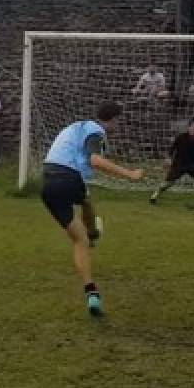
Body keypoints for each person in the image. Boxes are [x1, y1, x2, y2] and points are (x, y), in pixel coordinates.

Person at [40, 101, 144, 317]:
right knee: (85, 202)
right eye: (119, 120)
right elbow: (95, 160)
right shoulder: (96, 132)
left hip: (47, 183)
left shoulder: (78, 126)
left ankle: (92, 292)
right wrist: (130, 174)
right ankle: (94, 233)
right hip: (68, 177)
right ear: (114, 119)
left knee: (80, 239)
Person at [149, 116, 194, 208]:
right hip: (179, 164)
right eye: (193, 126)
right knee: (168, 184)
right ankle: (155, 195)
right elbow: (172, 149)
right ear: (189, 127)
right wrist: (168, 159)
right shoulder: (181, 137)